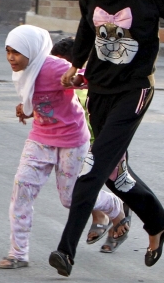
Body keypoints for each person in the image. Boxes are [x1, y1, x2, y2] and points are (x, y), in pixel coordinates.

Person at [48, 0, 164, 277]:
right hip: (99, 90)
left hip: (134, 90)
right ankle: (158, 222)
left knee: (92, 169)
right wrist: (75, 68)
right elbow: (85, 31)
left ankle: (66, 251)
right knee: (114, 175)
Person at [0, 26, 125, 269]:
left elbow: (85, 79)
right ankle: (18, 253)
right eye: (8, 51)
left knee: (71, 199)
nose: (11, 58)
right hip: (40, 139)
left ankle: (113, 206)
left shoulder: (53, 66)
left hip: (72, 141)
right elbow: (32, 95)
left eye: (17, 52)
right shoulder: (24, 69)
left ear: (32, 52)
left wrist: (78, 79)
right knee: (21, 191)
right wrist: (24, 108)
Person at [51, 35, 132, 252]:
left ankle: (118, 218)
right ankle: (102, 216)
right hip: (77, 146)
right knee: (81, 183)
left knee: (119, 183)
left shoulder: (86, 85)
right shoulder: (61, 86)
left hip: (103, 142)